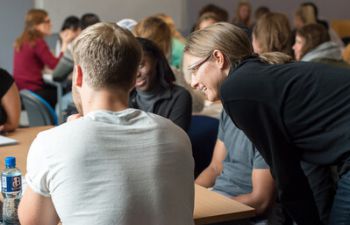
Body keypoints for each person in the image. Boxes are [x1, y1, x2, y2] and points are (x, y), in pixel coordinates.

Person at [18, 22, 194, 225]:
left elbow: (33, 222)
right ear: (132, 79)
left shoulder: (51, 144)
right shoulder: (177, 135)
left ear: (79, 75)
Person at [184, 22, 350, 225]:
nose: (192, 82)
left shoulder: (237, 89)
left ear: (218, 58)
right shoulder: (253, 75)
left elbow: (285, 174)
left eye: (194, 70)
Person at [253, 14, 336, 224]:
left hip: (300, 160)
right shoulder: (295, 68)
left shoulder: (262, 76)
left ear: (257, 41)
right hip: (314, 157)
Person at [13, 9, 74, 107]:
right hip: (34, 91)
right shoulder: (37, 42)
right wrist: (65, 43)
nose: (51, 24)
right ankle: (59, 121)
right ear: (37, 25)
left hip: (23, 91)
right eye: (47, 21)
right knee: (66, 91)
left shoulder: (22, 41)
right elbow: (56, 66)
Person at [129, 38, 192, 131]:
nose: (136, 74)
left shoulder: (179, 96)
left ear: (155, 61)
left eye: (140, 65)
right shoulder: (124, 98)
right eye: (130, 67)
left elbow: (174, 140)